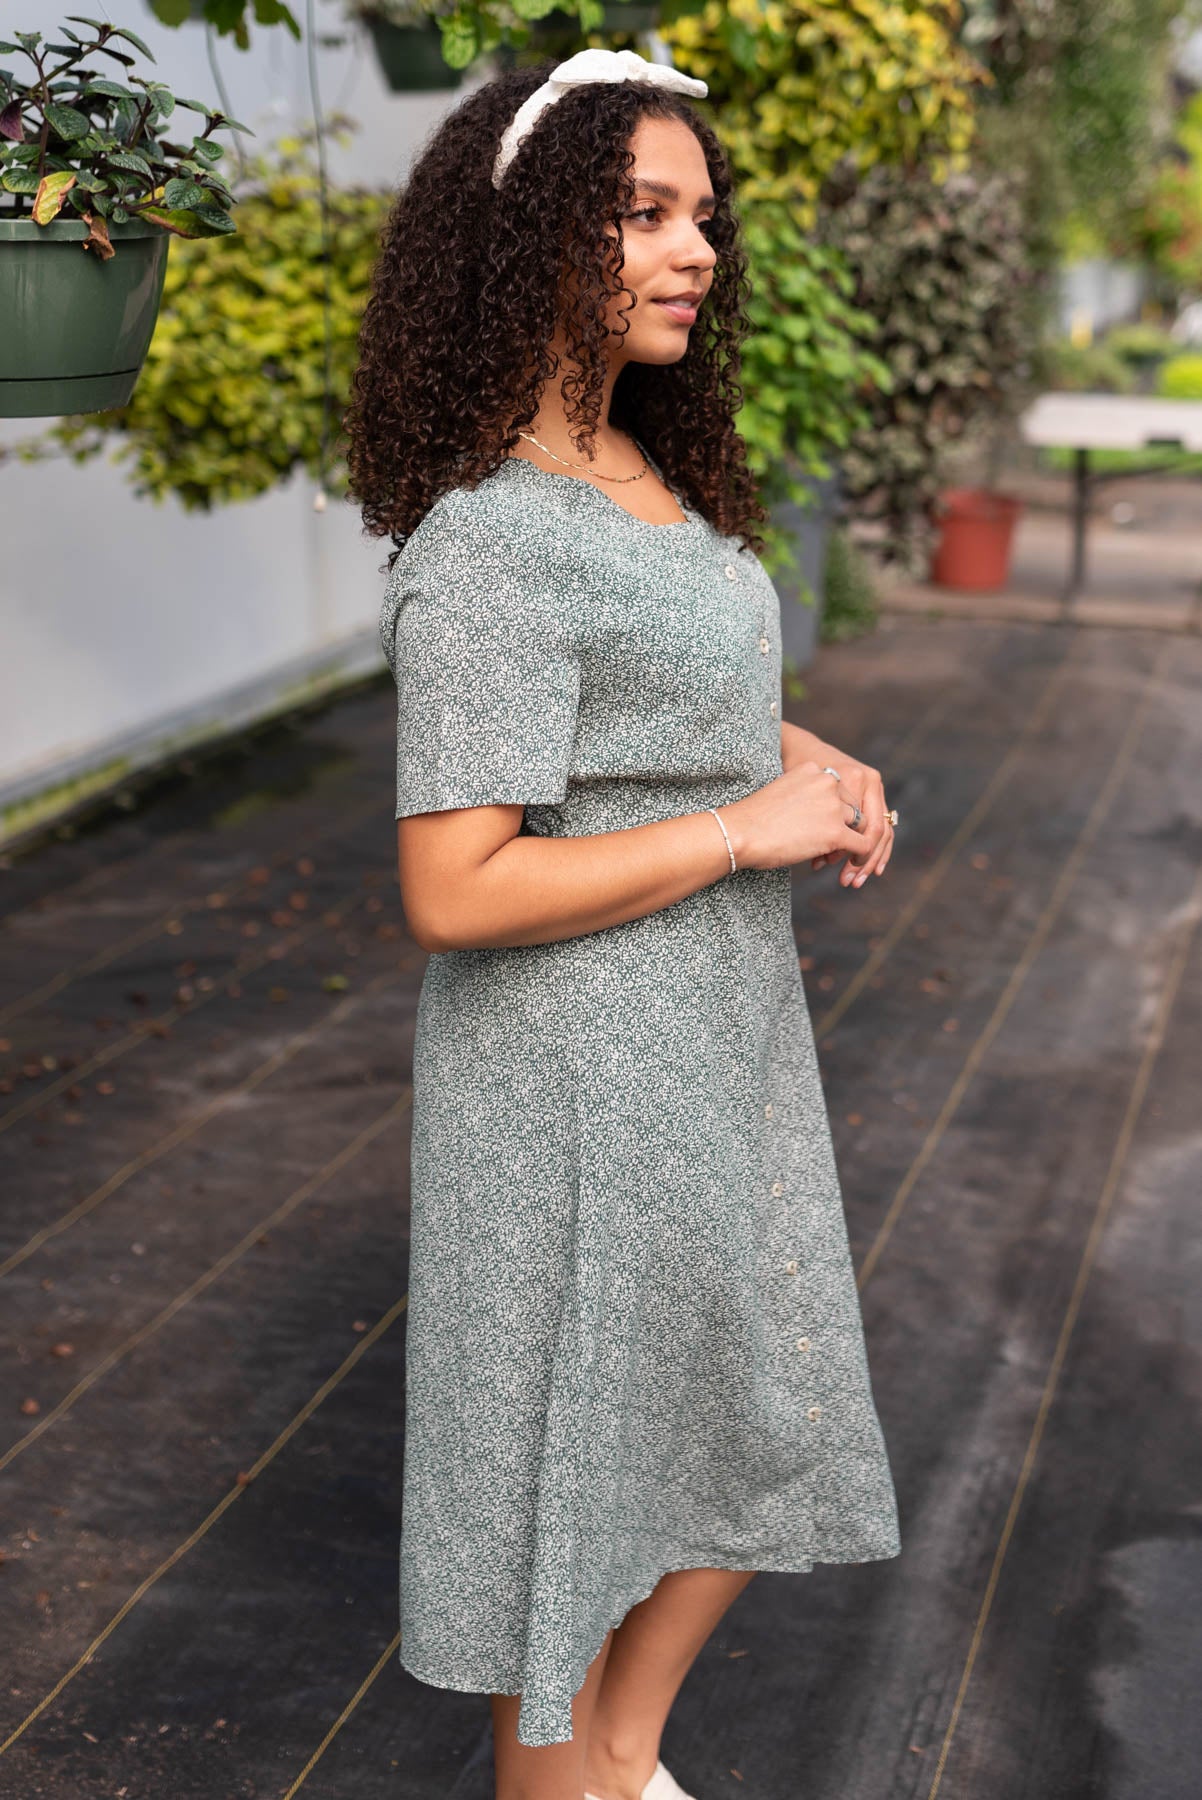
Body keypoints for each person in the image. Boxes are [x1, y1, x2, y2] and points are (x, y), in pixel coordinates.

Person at [345, 44, 902, 1800]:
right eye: (643, 215)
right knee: (590, 1488)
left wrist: (806, 755)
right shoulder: (492, 545)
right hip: (574, 1082)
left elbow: (649, 727)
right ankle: (579, 1771)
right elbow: (456, 886)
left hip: (714, 1045)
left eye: (700, 218)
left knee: (754, 1413)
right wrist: (748, 827)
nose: (694, 252)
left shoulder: (646, 482)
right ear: (528, 243)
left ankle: (620, 1760)